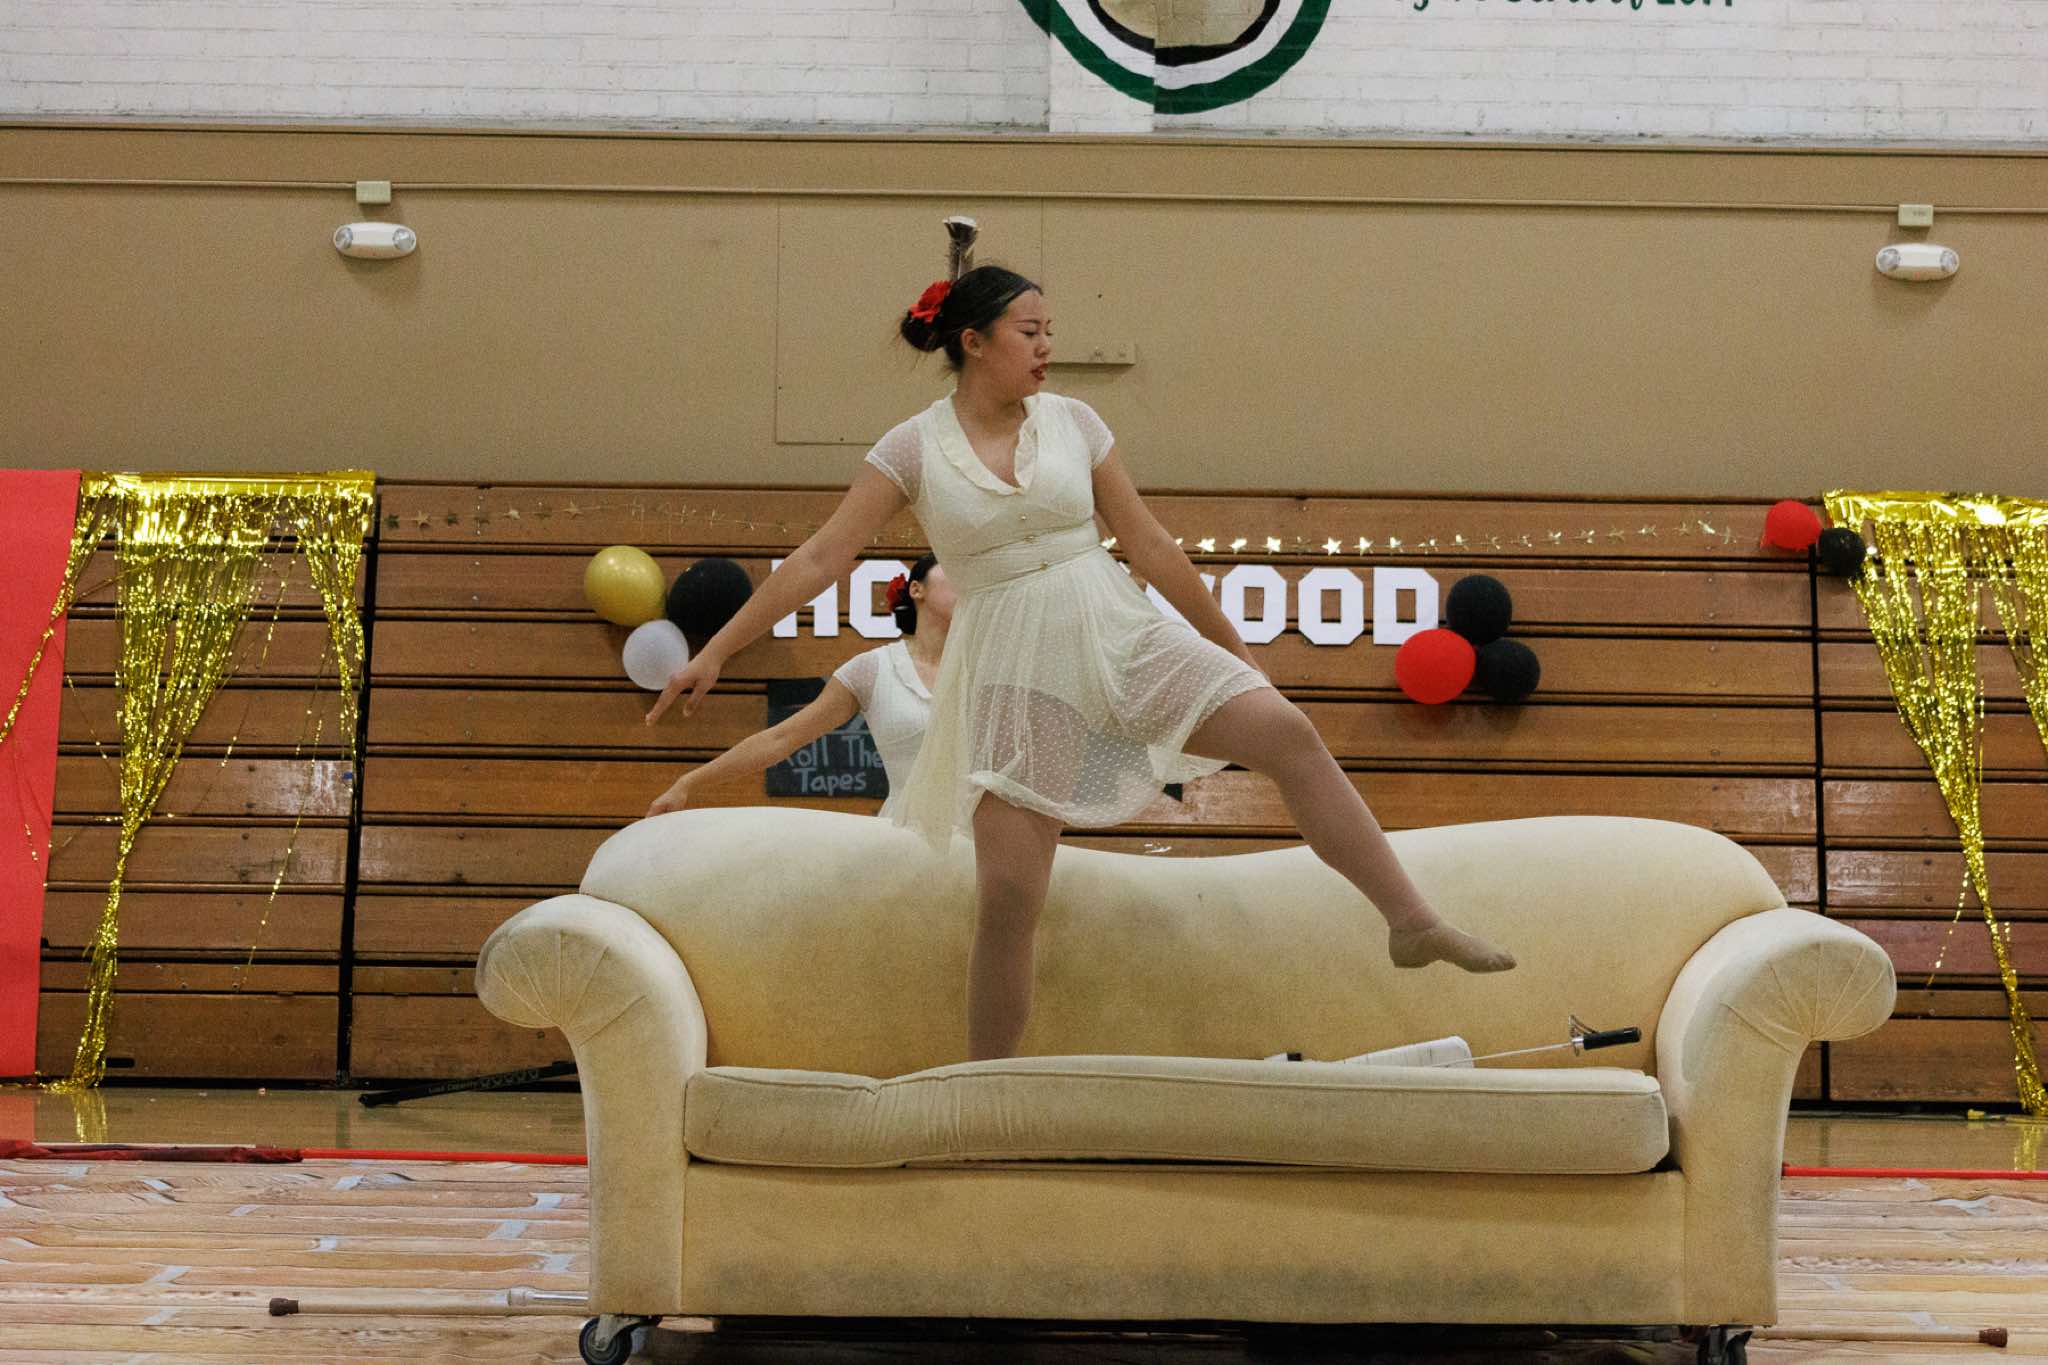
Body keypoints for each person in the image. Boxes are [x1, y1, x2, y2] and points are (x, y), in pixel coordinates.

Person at [650, 232, 1514, 1061]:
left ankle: (1412, 919)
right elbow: (819, 557)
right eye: (1030, 331)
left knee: (1287, 731)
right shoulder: (911, 448)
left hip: (1115, 627)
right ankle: (984, 1088)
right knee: (1010, 896)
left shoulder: (1074, 421)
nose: (1047, 347)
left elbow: (1151, 544)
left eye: (1049, 331)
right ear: (974, 341)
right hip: (1013, 666)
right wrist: (717, 650)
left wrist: (1237, 651)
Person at [646, 554, 951, 820]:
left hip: (978, 841)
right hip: (907, 841)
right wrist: (689, 782)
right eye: (952, 568)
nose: (966, 579)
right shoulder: (874, 669)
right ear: (916, 589)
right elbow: (781, 738)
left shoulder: (981, 665)